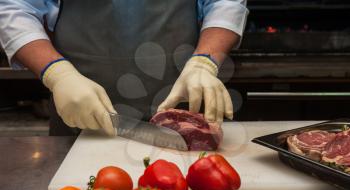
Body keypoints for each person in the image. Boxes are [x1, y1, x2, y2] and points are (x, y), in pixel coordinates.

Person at [0, 0, 249, 136]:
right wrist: (58, 74)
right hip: (81, 112)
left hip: (183, 112)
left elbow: (225, 2)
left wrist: (204, 63)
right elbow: (14, 7)